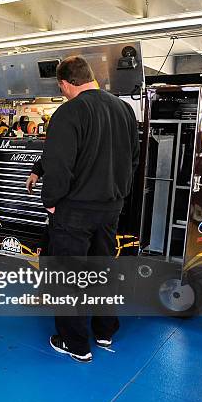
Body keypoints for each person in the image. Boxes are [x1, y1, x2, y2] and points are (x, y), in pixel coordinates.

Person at [39, 56, 139, 362]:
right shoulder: (125, 110)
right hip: (111, 208)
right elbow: (133, 159)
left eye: (61, 88)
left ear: (66, 83)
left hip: (75, 211)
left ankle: (76, 344)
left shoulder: (69, 112)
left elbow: (59, 166)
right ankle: (105, 330)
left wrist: (52, 203)